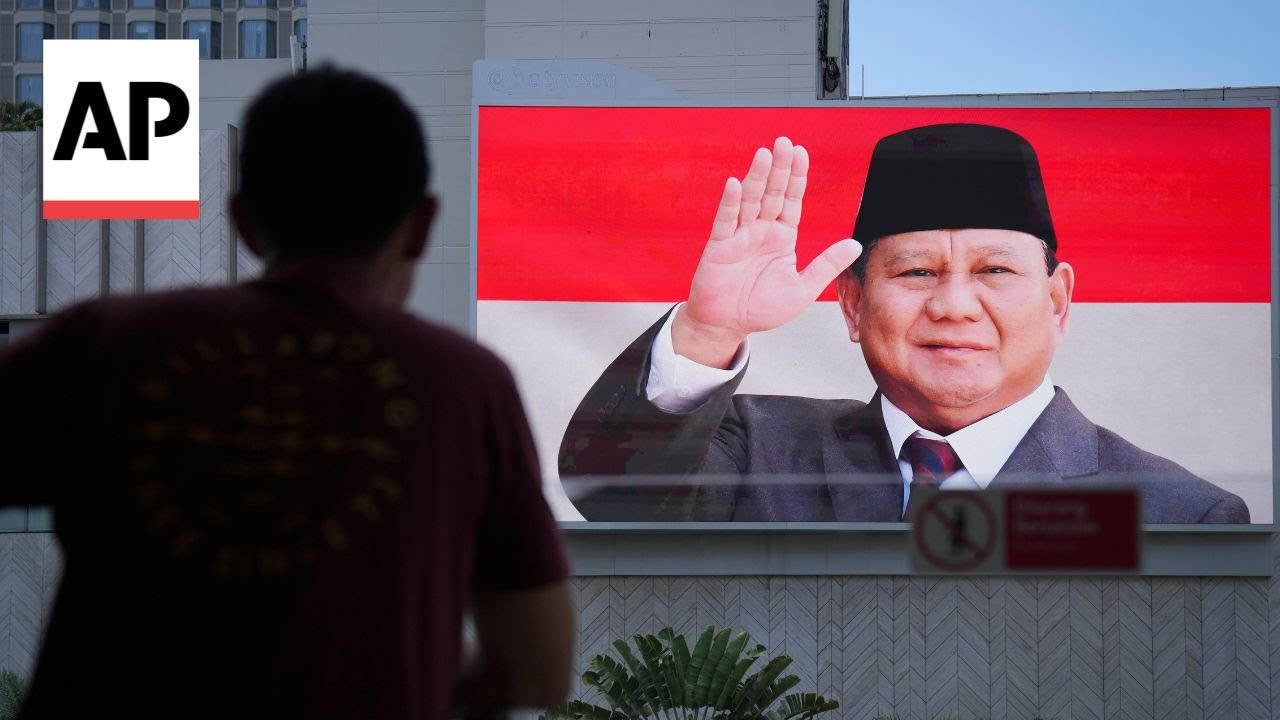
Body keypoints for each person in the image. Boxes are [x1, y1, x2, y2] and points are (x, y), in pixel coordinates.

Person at [0, 67, 573, 719]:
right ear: (421, 226)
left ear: (244, 222)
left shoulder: (100, 342)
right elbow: (534, 673)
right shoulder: (465, 385)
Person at [559, 123, 1249, 524]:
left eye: (995, 272)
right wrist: (709, 329)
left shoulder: (1173, 511)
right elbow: (610, 494)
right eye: (916, 272)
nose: (953, 306)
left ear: (1058, 301)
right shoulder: (757, 453)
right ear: (853, 305)